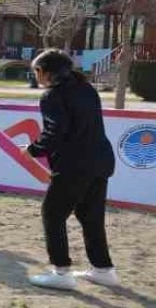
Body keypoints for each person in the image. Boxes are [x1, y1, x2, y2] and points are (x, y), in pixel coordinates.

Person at [23, 50, 118, 290]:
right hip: (100, 162)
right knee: (91, 217)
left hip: (74, 166)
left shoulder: (52, 95)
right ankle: (103, 270)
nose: (36, 76)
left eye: (37, 71)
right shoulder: (86, 89)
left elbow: (55, 131)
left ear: (45, 72)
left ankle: (61, 272)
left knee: (52, 215)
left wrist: (33, 149)